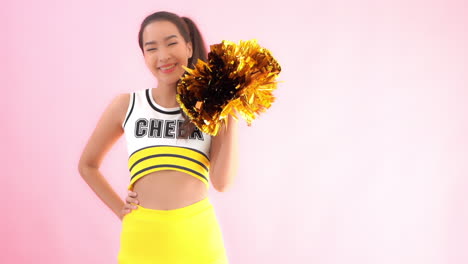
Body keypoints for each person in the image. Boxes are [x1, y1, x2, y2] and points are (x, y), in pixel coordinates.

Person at [78, 11, 238, 264]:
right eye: (151, 48)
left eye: (171, 43)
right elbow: (87, 164)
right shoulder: (128, 105)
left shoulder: (209, 109)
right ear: (144, 56)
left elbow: (222, 183)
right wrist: (121, 209)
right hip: (142, 237)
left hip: (198, 238)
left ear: (188, 46)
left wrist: (229, 111)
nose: (163, 55)